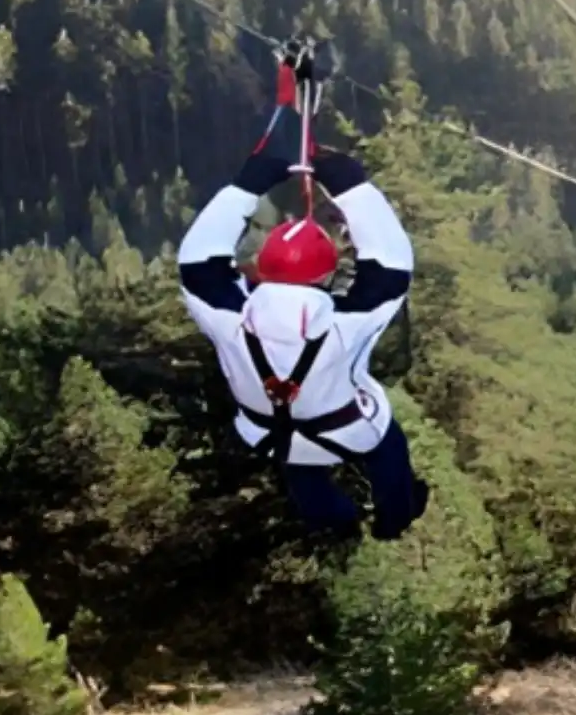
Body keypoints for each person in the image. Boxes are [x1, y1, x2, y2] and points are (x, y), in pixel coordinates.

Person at [176, 42, 428, 540]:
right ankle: (396, 513)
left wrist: (246, 186)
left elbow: (198, 262)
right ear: (324, 275)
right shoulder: (341, 326)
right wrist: (352, 185)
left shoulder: (231, 316)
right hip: (339, 427)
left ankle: (333, 522)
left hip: (268, 432)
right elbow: (391, 268)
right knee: (386, 445)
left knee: (298, 459)